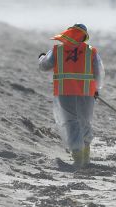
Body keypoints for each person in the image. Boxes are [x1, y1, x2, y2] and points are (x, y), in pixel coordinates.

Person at [38, 24, 104, 170]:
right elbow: (99, 72)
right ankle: (85, 156)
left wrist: (41, 57)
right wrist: (97, 89)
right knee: (85, 121)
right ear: (84, 36)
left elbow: (44, 66)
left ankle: (78, 157)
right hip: (86, 92)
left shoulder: (57, 50)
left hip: (65, 91)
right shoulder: (91, 52)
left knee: (71, 122)